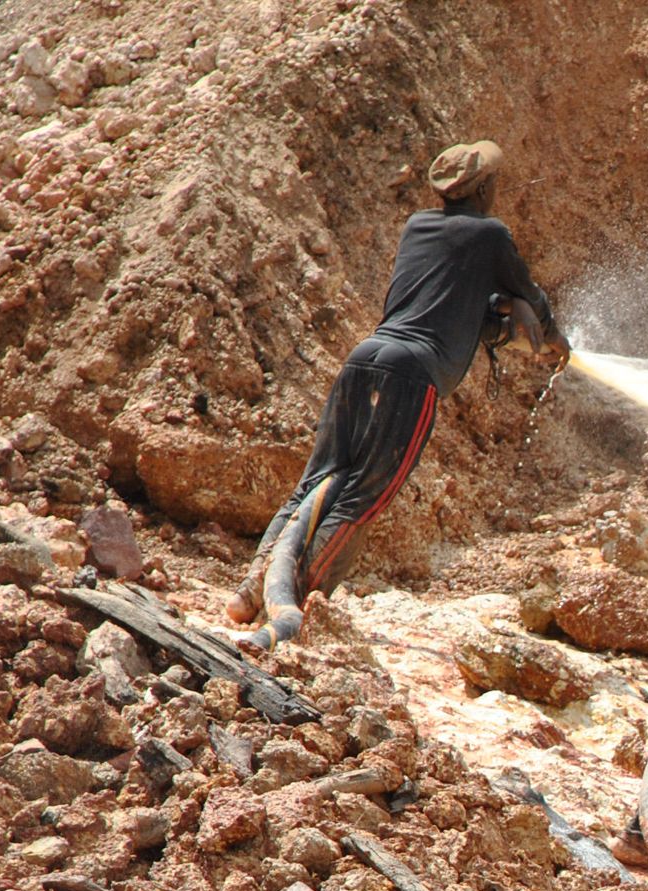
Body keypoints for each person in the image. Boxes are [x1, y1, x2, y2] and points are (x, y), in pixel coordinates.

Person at [230, 139, 565, 650]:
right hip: (413, 375)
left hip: (364, 358)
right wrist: (552, 335)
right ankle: (298, 611)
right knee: (364, 495)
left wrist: (501, 306)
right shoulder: (492, 235)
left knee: (315, 484)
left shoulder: (417, 227)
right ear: (484, 189)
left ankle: (251, 592)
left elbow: (452, 293)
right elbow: (530, 294)